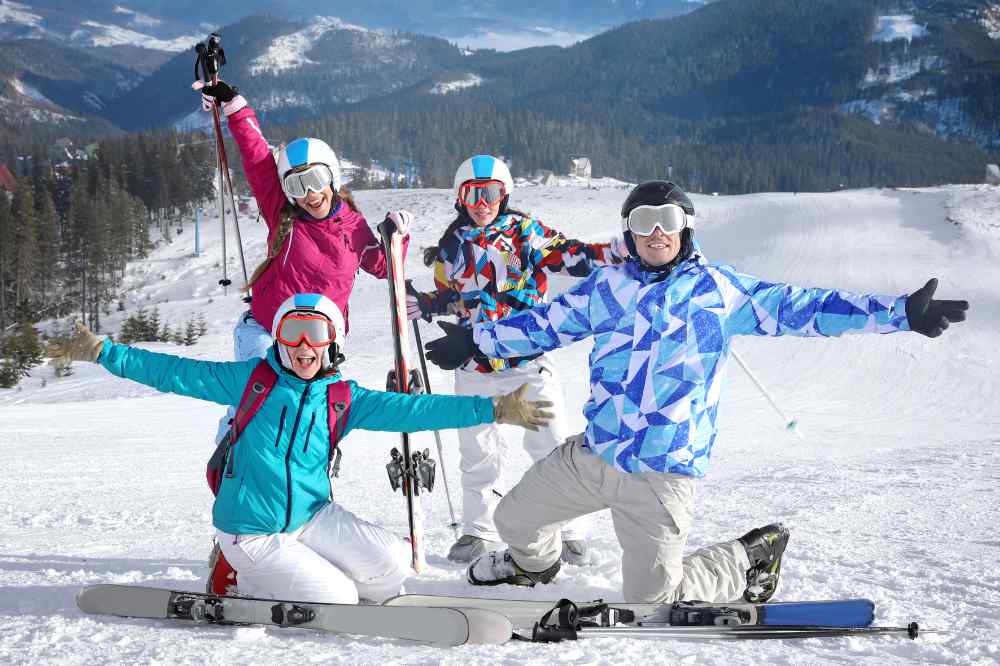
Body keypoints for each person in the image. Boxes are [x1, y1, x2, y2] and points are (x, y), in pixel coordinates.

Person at [423, 180, 969, 603]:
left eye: (668, 220)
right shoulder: (609, 287)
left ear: (685, 227)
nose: (656, 231)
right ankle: (532, 566)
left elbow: (803, 307)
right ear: (629, 231)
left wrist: (898, 312)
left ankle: (746, 558)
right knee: (512, 521)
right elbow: (544, 323)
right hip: (595, 455)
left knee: (652, 603)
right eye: (643, 221)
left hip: (661, 474)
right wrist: (476, 339)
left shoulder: (720, 292)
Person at [48, 294, 554, 605]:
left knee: (393, 569)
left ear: (333, 343)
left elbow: (412, 410)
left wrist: (491, 410)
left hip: (312, 516)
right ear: (280, 340)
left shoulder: (341, 398)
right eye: (293, 334)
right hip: (252, 529)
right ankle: (237, 575)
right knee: (335, 597)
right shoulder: (252, 382)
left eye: (316, 335)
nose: (303, 347)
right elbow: (172, 372)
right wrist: (102, 352)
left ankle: (298, 568)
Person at [194, 79, 412, 587]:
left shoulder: (354, 227)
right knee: (247, 435)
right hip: (265, 336)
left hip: (319, 351)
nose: (308, 194)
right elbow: (254, 159)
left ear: (333, 177)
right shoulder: (283, 215)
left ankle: (298, 535)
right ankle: (235, 545)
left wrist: (396, 239)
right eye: (296, 185)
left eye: (315, 180)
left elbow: (385, 269)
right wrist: (235, 107)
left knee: (305, 444)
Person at [406, 154, 628, 565]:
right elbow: (451, 296)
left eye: (490, 192)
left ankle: (571, 529)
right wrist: (427, 304)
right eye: (472, 193)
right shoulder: (450, 247)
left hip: (525, 360)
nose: (482, 201)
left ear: (504, 193)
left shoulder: (524, 233)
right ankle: (478, 530)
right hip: (475, 367)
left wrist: (619, 252)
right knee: (478, 451)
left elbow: (573, 256)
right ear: (460, 197)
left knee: (548, 444)